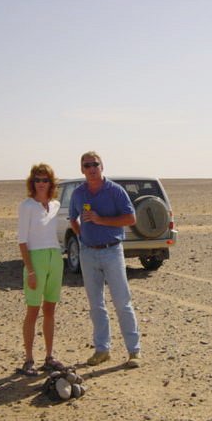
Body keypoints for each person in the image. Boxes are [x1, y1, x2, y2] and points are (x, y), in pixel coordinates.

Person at [69, 151, 141, 368]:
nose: (91, 168)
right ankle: (102, 350)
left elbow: (131, 218)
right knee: (96, 305)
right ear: (82, 169)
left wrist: (101, 221)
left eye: (95, 164)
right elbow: (73, 218)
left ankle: (134, 351)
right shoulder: (78, 194)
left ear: (102, 166)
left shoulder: (115, 191)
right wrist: (83, 237)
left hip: (112, 251)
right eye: (87, 165)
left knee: (122, 302)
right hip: (88, 253)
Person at [17, 163, 66, 376]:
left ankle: (49, 356)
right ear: (32, 182)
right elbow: (22, 241)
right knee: (33, 310)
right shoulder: (27, 206)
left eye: (45, 180)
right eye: (37, 180)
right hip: (35, 259)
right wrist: (30, 270)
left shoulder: (55, 205)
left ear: (51, 182)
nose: (41, 184)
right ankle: (28, 359)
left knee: (50, 310)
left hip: (55, 256)